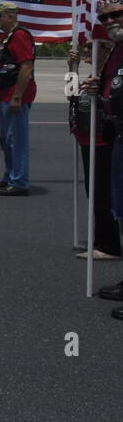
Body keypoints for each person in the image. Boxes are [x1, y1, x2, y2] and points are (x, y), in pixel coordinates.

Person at [85, 0, 123, 317]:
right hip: (118, 135)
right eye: (104, 19)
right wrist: (101, 87)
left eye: (116, 15)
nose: (110, 22)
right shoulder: (116, 53)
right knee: (120, 209)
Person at [70, 36, 122, 263]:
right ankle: (100, 238)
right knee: (94, 193)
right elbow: (71, 96)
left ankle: (108, 244)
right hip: (87, 139)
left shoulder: (108, 78)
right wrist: (72, 69)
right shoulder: (91, 78)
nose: (87, 53)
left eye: (93, 49)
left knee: (103, 195)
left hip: (102, 141)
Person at [0, 3, 36, 196]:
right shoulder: (8, 38)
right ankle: (10, 176)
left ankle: (19, 182)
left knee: (15, 140)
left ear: (10, 16)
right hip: (4, 95)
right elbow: (0, 61)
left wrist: (17, 96)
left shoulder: (20, 35)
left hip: (14, 96)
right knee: (6, 140)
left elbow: (26, 66)